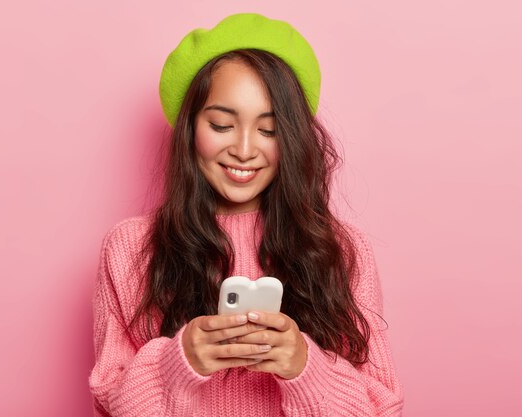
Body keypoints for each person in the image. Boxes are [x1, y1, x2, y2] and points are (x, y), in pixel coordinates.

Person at [88, 12, 404, 417]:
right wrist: (179, 363)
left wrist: (305, 369)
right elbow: (108, 405)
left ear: (292, 140)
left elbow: (383, 406)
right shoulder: (130, 248)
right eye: (221, 124)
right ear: (190, 129)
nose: (243, 148)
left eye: (268, 130)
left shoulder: (342, 250)